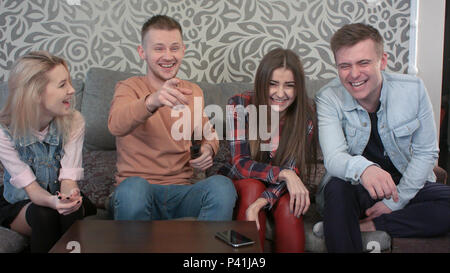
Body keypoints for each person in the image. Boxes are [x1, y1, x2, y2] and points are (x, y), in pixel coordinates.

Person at [315, 23, 450, 252]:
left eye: (363, 62)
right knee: (337, 188)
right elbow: (334, 157)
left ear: (383, 61)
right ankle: (344, 224)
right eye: (345, 66)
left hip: (406, 186)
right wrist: (364, 169)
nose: (354, 74)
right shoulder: (328, 97)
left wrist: (394, 203)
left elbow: (427, 152)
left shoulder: (414, 90)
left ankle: (365, 226)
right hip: (355, 188)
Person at [107, 15, 236, 221]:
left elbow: (208, 134)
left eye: (174, 48)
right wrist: (153, 100)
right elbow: (116, 124)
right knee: (133, 189)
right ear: (143, 53)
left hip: (182, 192)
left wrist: (207, 149)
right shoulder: (128, 87)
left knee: (222, 186)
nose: (168, 56)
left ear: (183, 51)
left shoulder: (192, 91)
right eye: (158, 48)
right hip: (138, 192)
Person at [222, 48, 318, 252]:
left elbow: (293, 172)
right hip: (242, 181)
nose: (280, 93)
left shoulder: (306, 115)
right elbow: (240, 164)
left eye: (289, 86)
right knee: (253, 187)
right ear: (261, 83)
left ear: (298, 88)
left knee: (289, 206)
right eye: (272, 84)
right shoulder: (239, 104)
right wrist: (284, 174)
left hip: (280, 188)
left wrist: (262, 202)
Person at [0, 51, 96, 253]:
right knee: (44, 213)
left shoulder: (74, 121)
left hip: (57, 193)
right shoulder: (4, 132)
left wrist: (69, 198)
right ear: (35, 93)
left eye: (69, 82)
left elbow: (68, 181)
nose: (72, 90)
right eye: (62, 85)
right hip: (24, 202)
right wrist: (53, 202)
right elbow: (33, 191)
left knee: (72, 210)